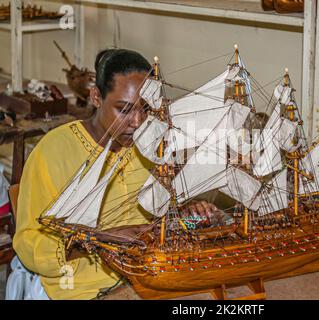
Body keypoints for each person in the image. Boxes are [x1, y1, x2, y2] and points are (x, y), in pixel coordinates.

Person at [12, 48, 217, 300]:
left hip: (150, 276)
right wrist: (99, 240)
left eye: (147, 110)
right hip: (83, 288)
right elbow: (28, 245)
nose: (137, 122)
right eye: (124, 109)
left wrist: (187, 212)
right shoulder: (53, 151)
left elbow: (162, 212)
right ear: (96, 97)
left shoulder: (152, 144)